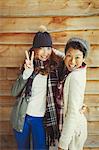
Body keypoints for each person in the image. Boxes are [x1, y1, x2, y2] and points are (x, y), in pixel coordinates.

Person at [10, 25, 64, 150]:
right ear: (35, 49)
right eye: (41, 48)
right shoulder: (29, 65)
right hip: (23, 116)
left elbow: (69, 59)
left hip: (42, 120)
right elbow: (14, 92)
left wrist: (54, 51)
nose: (45, 53)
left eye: (48, 48)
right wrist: (26, 73)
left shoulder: (56, 68)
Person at [58, 37, 89, 150]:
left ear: (83, 58)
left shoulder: (75, 76)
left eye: (77, 57)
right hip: (71, 128)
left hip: (73, 131)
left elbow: (72, 113)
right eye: (69, 56)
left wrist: (63, 144)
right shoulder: (74, 70)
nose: (72, 62)